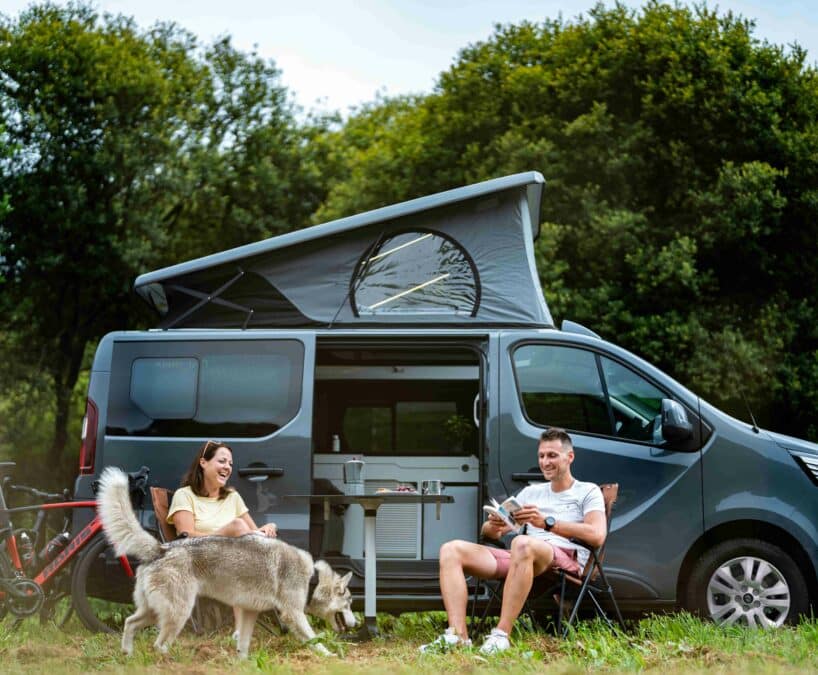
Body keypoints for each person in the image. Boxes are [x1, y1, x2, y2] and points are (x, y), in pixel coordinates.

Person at [420, 427, 606, 655]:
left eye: (552, 455)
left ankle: (501, 634)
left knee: (521, 543)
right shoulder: (530, 493)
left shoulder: (588, 491)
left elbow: (597, 534)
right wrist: (493, 524)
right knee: (451, 549)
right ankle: (457, 635)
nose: (545, 462)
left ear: (570, 457)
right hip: (523, 557)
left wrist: (547, 523)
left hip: (564, 558)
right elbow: (491, 535)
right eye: (541, 456)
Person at [167, 440, 278, 636]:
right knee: (237, 529)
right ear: (203, 463)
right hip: (199, 559)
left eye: (230, 464)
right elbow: (186, 536)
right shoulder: (184, 495)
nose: (227, 467)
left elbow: (253, 533)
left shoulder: (232, 497)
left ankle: (240, 631)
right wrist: (227, 533)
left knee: (246, 540)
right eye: (222, 461)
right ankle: (242, 629)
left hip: (237, 557)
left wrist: (268, 528)